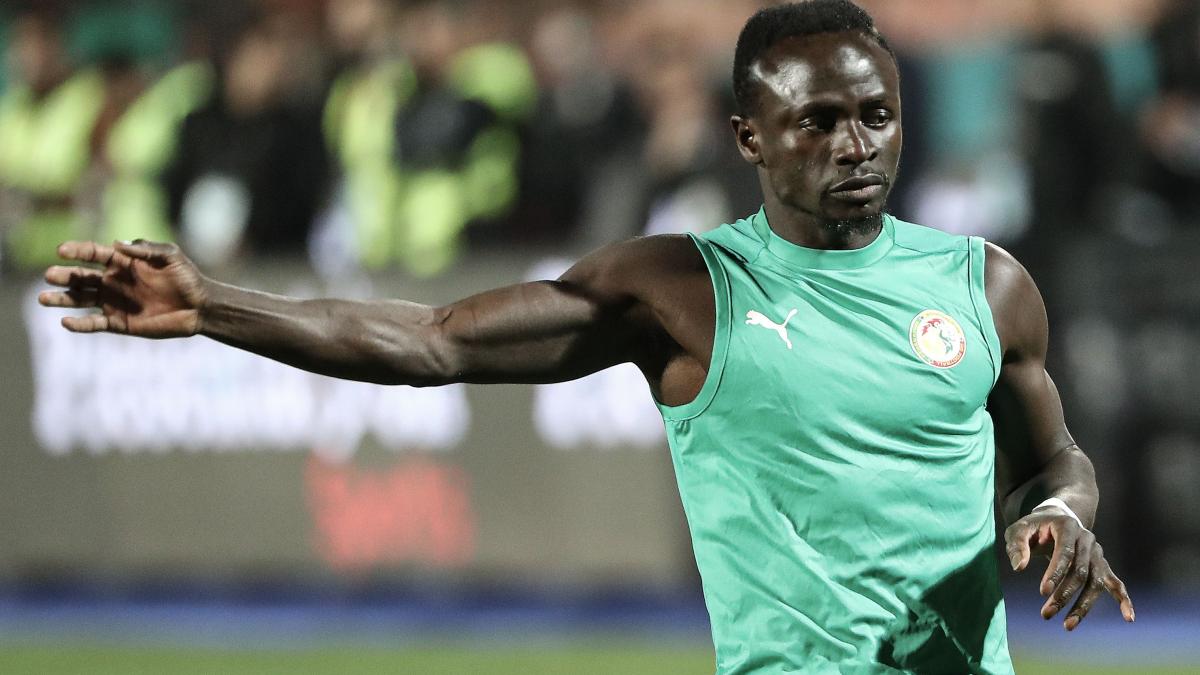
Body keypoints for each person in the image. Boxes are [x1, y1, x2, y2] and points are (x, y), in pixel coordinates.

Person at [38, 1, 1133, 672]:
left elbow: (1057, 461)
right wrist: (215, 306)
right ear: (749, 138)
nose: (857, 145)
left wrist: (1059, 513)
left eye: (876, 116)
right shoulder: (686, 289)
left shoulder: (985, 286)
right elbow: (434, 340)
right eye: (819, 121)